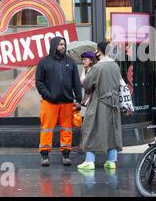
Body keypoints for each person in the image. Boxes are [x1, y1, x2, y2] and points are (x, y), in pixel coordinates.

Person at [78, 41, 131, 170]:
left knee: (90, 130)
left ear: (100, 51)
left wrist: (85, 75)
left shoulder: (97, 67)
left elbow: (88, 86)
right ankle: (111, 161)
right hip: (113, 104)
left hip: (98, 103)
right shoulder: (115, 66)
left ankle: (90, 161)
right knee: (113, 131)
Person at [35, 36, 82, 167]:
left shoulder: (71, 62)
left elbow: (76, 83)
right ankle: (45, 155)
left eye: (64, 44)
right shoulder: (44, 62)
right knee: (46, 129)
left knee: (67, 129)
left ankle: (66, 155)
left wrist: (78, 99)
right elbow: (39, 82)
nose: (63, 46)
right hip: (49, 102)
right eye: (60, 44)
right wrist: (48, 95)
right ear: (54, 45)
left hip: (67, 102)